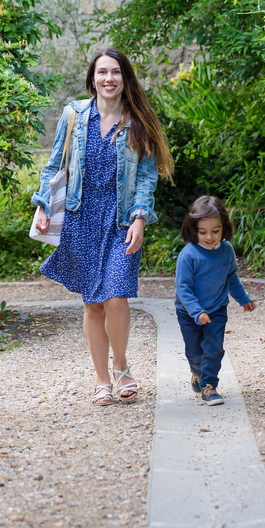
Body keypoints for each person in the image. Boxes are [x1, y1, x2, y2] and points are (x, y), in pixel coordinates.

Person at [33, 48, 173, 406]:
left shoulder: (137, 121)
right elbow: (53, 167)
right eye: (102, 73)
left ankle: (122, 365)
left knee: (115, 297)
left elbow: (145, 178)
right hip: (81, 220)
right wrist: (42, 205)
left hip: (120, 219)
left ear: (125, 79)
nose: (108, 79)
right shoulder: (74, 116)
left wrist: (140, 217)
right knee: (93, 304)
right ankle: (101, 380)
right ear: (92, 78)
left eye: (115, 73)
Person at [174, 196, 256, 406]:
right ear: (193, 229)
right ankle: (197, 372)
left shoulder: (226, 250)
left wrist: (243, 299)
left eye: (215, 231)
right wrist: (196, 311)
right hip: (189, 313)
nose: (210, 237)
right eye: (203, 232)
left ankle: (209, 386)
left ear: (224, 228)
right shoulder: (188, 255)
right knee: (194, 352)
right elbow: (183, 289)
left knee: (214, 349)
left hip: (217, 309)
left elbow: (231, 277)